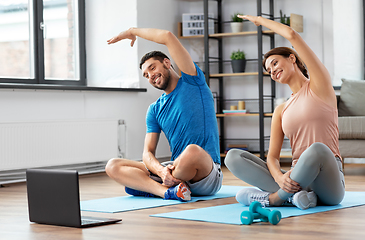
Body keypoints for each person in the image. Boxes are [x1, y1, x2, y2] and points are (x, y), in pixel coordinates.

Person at [225, 15, 345, 210]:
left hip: (329, 181)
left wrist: (260, 21)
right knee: (232, 157)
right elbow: (272, 157)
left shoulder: (320, 86)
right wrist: (280, 178)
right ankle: (298, 197)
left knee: (317, 149)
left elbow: (291, 34)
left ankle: (276, 199)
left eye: (274, 63)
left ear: (292, 58)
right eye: (268, 71)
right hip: (296, 180)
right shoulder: (281, 110)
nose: (272, 71)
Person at [105, 27, 222, 202]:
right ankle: (166, 192)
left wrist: (132, 31)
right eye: (146, 75)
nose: (150, 76)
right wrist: (161, 170)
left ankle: (150, 186)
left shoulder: (193, 81)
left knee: (192, 151)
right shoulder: (154, 109)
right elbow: (147, 153)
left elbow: (167, 37)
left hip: (206, 173)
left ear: (167, 63)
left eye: (152, 68)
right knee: (113, 165)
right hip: (173, 171)